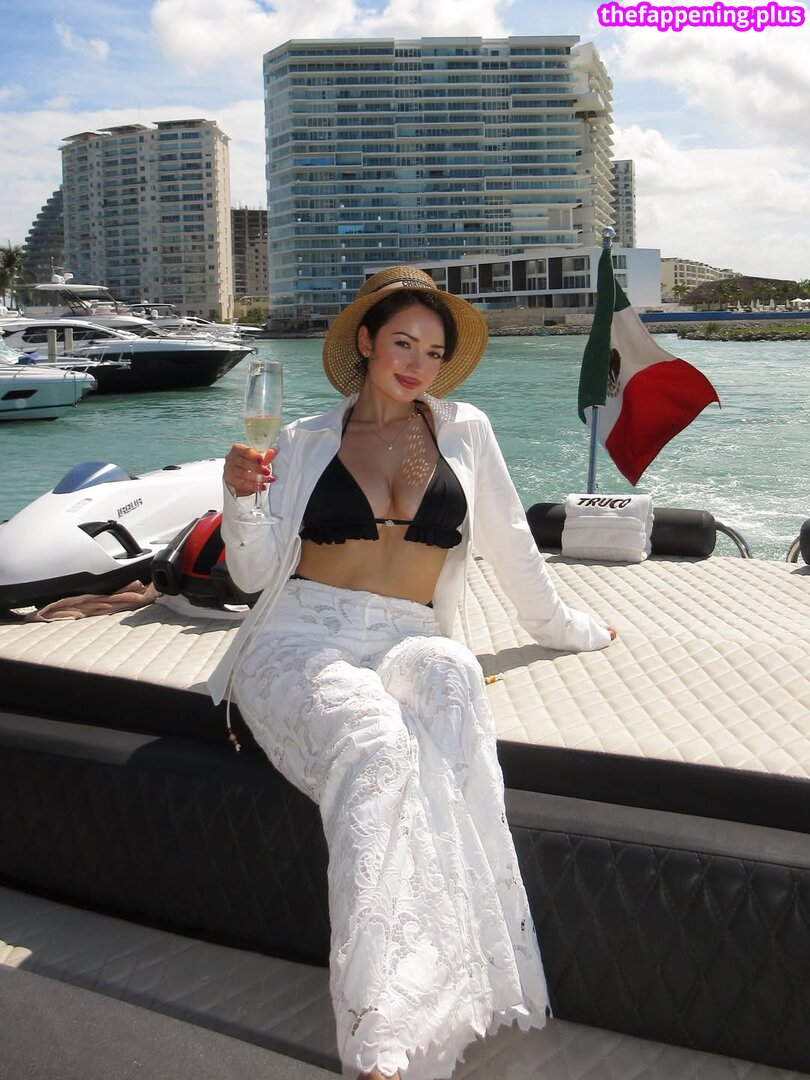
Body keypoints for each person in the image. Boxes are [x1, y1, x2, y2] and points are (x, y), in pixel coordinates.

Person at [207, 266, 616, 1080]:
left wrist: (571, 630)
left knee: (454, 684)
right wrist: (239, 498)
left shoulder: (466, 431)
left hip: (409, 632)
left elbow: (510, 543)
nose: (418, 364)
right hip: (299, 636)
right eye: (403, 343)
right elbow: (252, 576)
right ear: (365, 342)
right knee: (378, 742)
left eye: (433, 352)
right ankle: (382, 1037)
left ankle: (460, 981)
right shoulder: (304, 441)